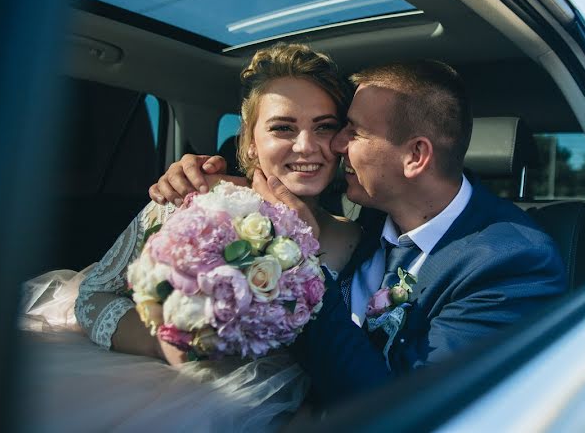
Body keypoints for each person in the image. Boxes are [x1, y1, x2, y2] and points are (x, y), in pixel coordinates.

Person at [154, 59, 568, 408]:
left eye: (353, 131)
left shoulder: (512, 263)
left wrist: (296, 255)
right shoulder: (364, 212)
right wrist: (203, 182)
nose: (333, 145)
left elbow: (399, 409)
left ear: (415, 156)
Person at [19, 43, 359, 430]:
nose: (306, 146)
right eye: (283, 127)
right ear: (250, 141)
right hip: (146, 385)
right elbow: (93, 295)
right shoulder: (192, 200)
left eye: (324, 126)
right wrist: (163, 344)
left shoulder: (358, 240)